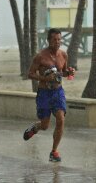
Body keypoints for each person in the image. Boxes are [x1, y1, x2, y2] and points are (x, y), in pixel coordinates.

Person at [22, 28, 75, 162]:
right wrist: (45, 79)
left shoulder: (63, 55)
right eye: (54, 39)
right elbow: (30, 74)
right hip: (44, 93)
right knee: (45, 125)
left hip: (58, 92)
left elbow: (62, 72)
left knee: (60, 119)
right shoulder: (40, 56)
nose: (57, 42)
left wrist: (68, 73)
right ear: (48, 40)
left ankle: (54, 151)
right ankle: (36, 127)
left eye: (59, 39)